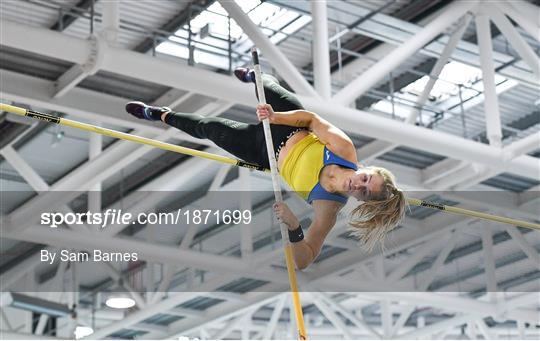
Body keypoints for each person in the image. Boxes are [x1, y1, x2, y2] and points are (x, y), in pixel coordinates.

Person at [125, 69, 406, 269]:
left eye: (365, 193)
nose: (359, 185)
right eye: (366, 179)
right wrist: (275, 116)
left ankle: (159, 114)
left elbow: (303, 260)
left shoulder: (328, 207)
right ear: (366, 169)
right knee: (267, 89)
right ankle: (258, 76)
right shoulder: (344, 150)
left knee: (208, 128)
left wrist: (295, 228)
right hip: (287, 124)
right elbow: (310, 119)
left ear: (361, 201)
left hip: (264, 152)